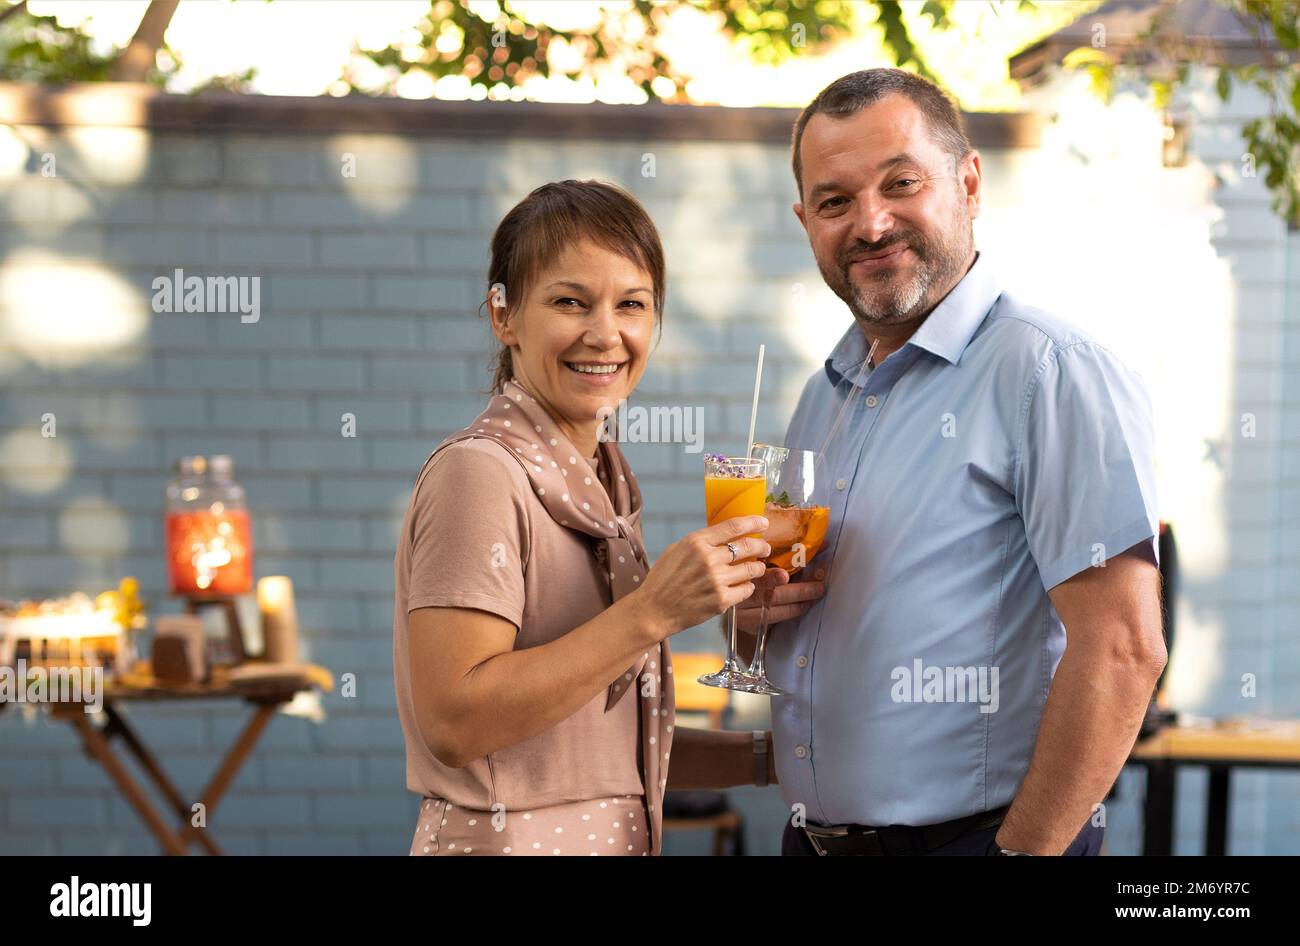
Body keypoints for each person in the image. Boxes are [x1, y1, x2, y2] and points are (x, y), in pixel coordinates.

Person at [749, 68, 1166, 856]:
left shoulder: (1049, 372)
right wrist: (755, 619)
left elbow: (1123, 648)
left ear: (969, 183)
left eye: (900, 183)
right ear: (806, 220)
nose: (870, 224)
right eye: (835, 201)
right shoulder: (823, 393)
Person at [392, 180, 777, 856]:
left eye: (632, 304)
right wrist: (651, 614)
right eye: (570, 301)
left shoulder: (602, 488)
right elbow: (454, 721)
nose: (606, 334)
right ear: (502, 316)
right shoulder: (481, 474)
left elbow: (607, 749)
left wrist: (775, 757)